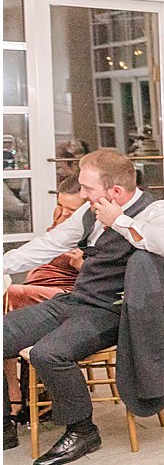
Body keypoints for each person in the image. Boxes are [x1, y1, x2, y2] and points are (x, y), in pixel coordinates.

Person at [2, 149, 164, 465]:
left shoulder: (157, 211)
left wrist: (121, 221)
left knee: (50, 353)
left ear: (114, 191)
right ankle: (4, 424)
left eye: (87, 188)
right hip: (75, 300)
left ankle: (82, 430)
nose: (82, 194)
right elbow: (49, 244)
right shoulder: (88, 212)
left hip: (113, 312)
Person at [4, 176, 86, 421]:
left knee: (7, 296)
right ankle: (16, 392)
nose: (62, 214)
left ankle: (13, 394)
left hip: (63, 297)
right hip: (38, 290)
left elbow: (100, 282)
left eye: (70, 210)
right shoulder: (61, 222)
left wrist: (82, 264)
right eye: (60, 206)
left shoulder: (91, 230)